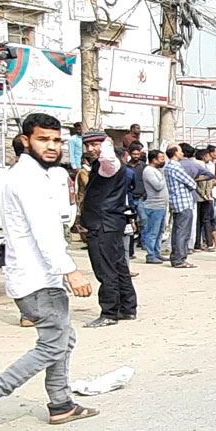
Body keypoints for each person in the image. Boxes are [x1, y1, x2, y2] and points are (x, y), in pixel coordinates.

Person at [0, 115, 97, 431]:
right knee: (53, 345)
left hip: (40, 277)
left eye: (56, 140)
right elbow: (45, 234)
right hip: (37, 279)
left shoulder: (38, 175)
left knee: (63, 340)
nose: (51, 146)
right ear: (25, 141)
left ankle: (61, 404)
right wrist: (71, 271)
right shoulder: (27, 179)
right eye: (43, 139)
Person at [77, 131, 136, 327]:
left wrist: (107, 144)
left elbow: (108, 157)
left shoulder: (108, 165)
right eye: (88, 145)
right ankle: (127, 308)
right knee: (118, 266)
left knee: (105, 270)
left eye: (96, 144)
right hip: (110, 223)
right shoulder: (103, 166)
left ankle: (109, 312)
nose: (91, 149)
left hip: (103, 224)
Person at [164, 145, 200, 268]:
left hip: (176, 201)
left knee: (177, 230)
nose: (182, 153)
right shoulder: (175, 166)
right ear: (175, 153)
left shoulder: (168, 166)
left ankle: (176, 257)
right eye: (180, 151)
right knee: (183, 232)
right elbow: (191, 183)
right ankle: (179, 258)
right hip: (183, 202)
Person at [138, 149, 169, 264]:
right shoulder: (149, 171)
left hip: (161, 205)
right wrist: (164, 176)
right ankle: (150, 254)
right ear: (154, 159)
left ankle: (157, 252)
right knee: (153, 232)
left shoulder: (157, 170)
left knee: (160, 231)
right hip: (154, 205)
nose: (163, 161)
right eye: (161, 158)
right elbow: (157, 186)